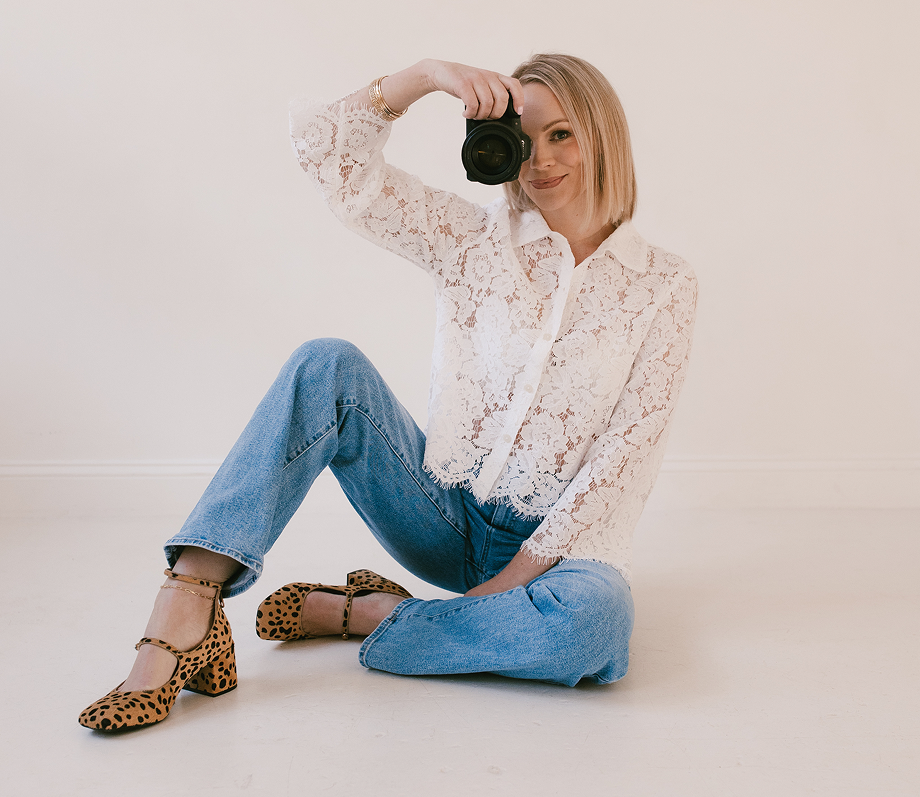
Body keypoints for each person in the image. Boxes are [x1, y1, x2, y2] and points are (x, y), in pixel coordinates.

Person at [79, 55, 698, 731]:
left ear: (602, 137)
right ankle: (190, 597)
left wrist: (516, 577)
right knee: (326, 365)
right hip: (442, 514)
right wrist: (429, 77)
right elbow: (333, 161)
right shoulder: (474, 239)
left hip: (565, 554)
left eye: (562, 135)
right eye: (527, 138)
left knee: (593, 628)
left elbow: (626, 453)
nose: (541, 161)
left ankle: (368, 612)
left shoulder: (663, 284)